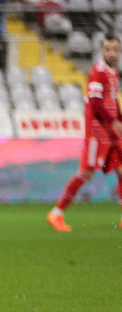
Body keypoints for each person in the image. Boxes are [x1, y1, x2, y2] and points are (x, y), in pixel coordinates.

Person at [47, 34, 122, 232]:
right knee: (86, 173)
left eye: (115, 49)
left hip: (111, 133)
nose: (112, 53)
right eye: (108, 49)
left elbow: (113, 102)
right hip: (98, 133)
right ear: (101, 51)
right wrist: (114, 122)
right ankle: (56, 213)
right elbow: (96, 103)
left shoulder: (112, 72)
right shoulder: (98, 72)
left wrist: (119, 121)